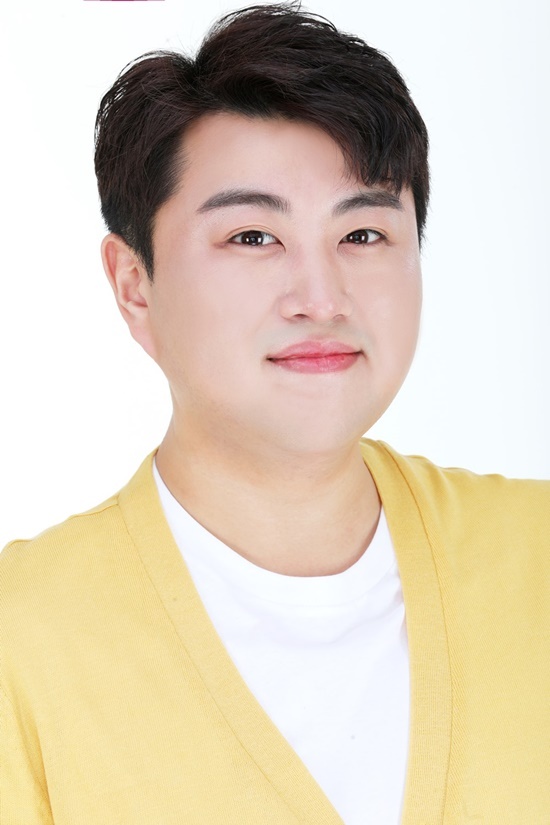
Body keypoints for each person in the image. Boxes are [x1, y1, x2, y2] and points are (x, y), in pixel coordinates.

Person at [1, 4, 548, 823]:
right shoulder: (23, 640)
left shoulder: (536, 556)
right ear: (134, 285)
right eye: (253, 237)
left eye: (363, 234)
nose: (321, 298)